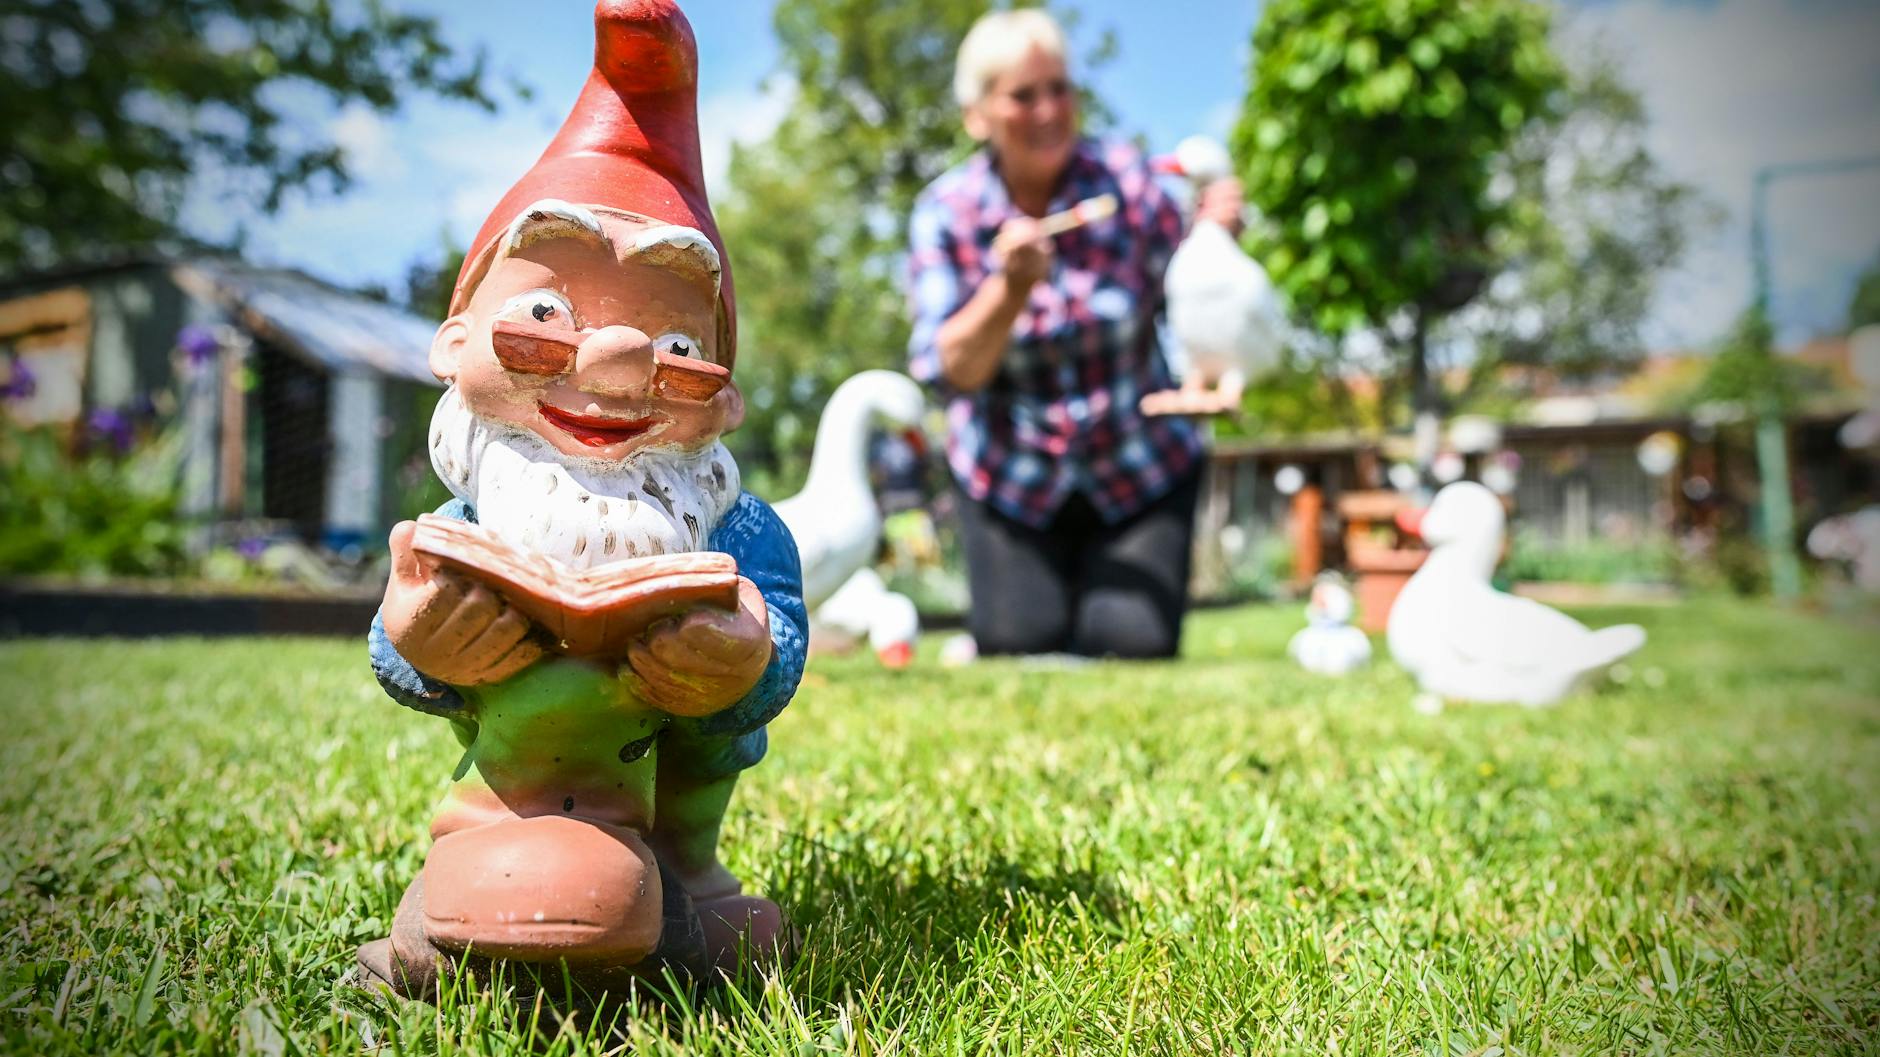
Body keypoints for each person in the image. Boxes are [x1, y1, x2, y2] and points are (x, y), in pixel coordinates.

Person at [357, 0, 805, 995]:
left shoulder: (737, 526)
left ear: (722, 397)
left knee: (691, 833)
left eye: (677, 348)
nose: (614, 366)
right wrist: (419, 637)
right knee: (497, 841)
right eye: (544, 318)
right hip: (508, 792)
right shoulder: (474, 514)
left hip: (679, 787)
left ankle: (684, 880)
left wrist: (740, 660)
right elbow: (396, 651)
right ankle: (465, 891)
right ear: (453, 343)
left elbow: (782, 640)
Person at [906, 9, 1243, 659]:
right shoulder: (946, 213)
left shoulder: (1128, 185)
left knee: (1130, 642)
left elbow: (1192, 295)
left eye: (1059, 88)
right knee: (1017, 641)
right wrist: (1009, 290)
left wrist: (1216, 237)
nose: (1048, 110)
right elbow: (952, 370)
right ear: (978, 115)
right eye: (1023, 95)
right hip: (1012, 473)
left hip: (1138, 461)